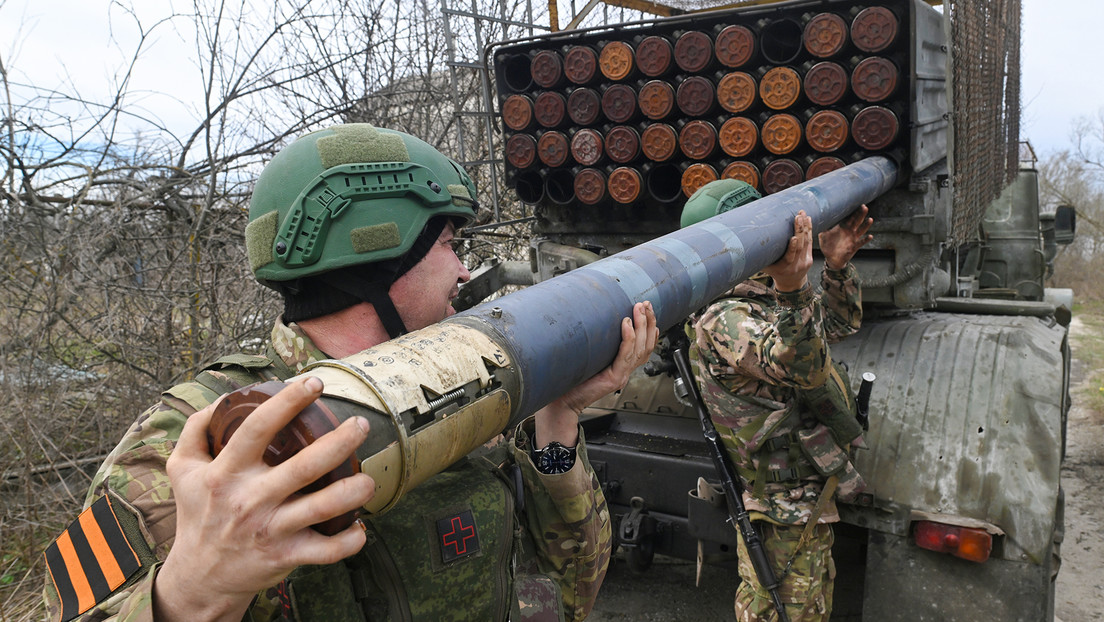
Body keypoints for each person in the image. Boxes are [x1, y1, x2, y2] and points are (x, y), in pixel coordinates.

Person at [43, 124, 658, 622]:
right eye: (447, 243)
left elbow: (564, 593)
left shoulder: (465, 375)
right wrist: (191, 594)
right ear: (381, 255)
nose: (465, 272)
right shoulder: (205, 441)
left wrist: (557, 416)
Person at [680, 180, 874, 621]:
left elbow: (835, 328)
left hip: (805, 504)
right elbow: (803, 365)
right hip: (780, 512)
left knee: (811, 608)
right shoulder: (724, 318)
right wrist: (794, 286)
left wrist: (837, 268)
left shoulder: (760, 299)